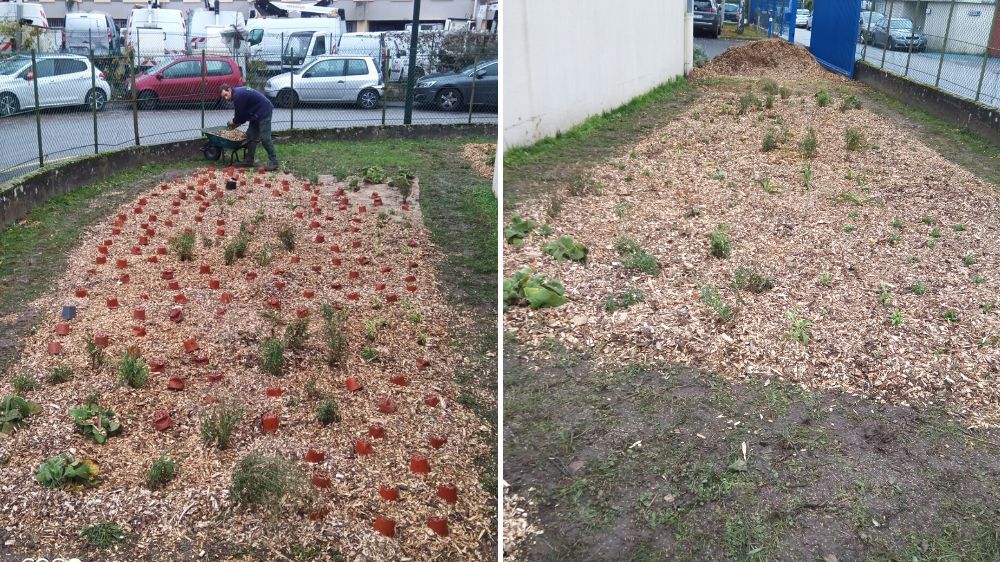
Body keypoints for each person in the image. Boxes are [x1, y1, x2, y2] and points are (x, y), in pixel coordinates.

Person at [220, 83, 278, 170]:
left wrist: (233, 122)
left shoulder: (238, 96)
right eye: (223, 97)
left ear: (229, 89)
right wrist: (237, 122)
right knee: (250, 136)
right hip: (255, 114)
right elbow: (242, 116)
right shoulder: (238, 93)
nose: (226, 98)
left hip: (264, 112)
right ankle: (249, 160)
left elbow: (239, 115)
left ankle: (274, 162)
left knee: (265, 138)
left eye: (226, 95)